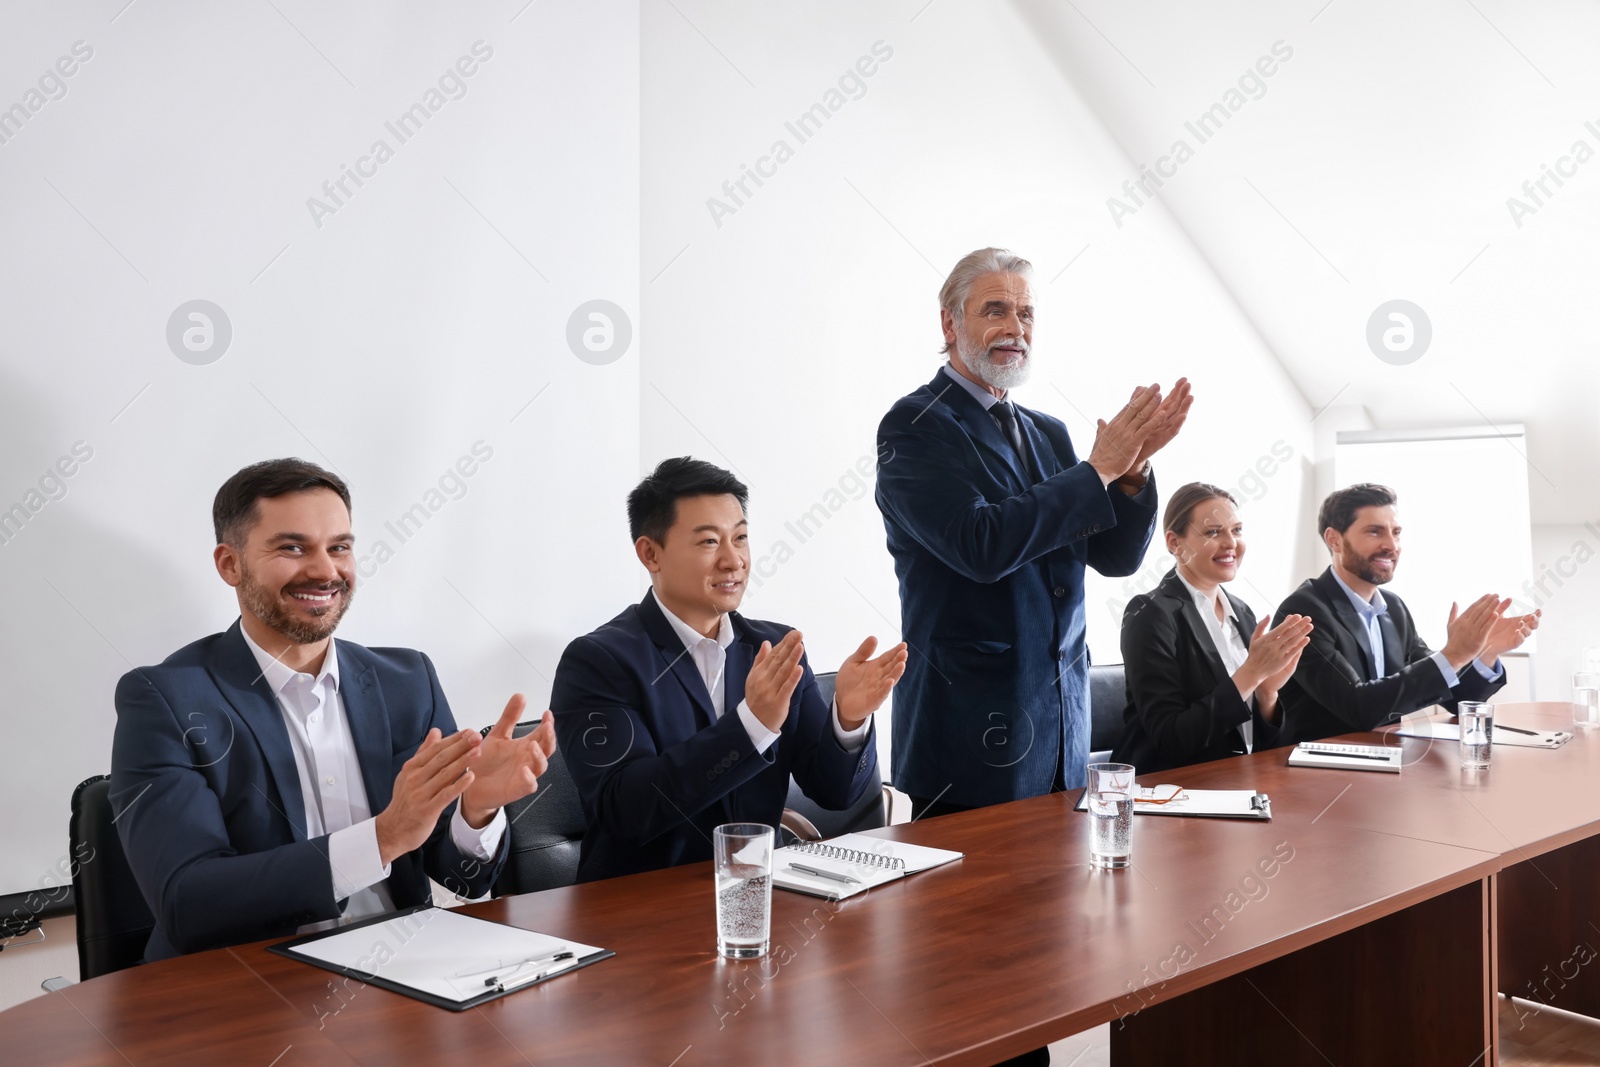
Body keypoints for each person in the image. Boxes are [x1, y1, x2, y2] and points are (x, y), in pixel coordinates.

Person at [111, 459, 555, 961]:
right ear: (230, 564)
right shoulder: (165, 699)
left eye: (339, 547)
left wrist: (477, 812)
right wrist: (383, 838)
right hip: (251, 990)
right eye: (292, 547)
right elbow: (188, 904)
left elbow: (464, 880)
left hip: (407, 976)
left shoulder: (407, 681)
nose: (325, 571)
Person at [875, 247, 1192, 818]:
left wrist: (1132, 473)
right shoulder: (915, 425)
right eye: (995, 310)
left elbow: (1114, 557)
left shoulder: (1048, 432)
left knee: (1065, 907)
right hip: (966, 739)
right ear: (950, 322)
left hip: (1064, 732)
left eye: (1026, 315)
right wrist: (1097, 471)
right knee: (970, 911)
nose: (1014, 328)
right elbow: (981, 545)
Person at [552, 458, 906, 883]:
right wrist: (750, 725)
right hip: (642, 907)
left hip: (758, 897)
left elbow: (836, 793)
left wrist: (848, 719)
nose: (733, 560)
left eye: (740, 538)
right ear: (651, 553)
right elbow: (627, 812)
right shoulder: (597, 661)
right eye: (708, 542)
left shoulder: (775, 648)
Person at [1275, 483, 1539, 744]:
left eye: (1396, 532)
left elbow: (1457, 698)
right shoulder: (1303, 613)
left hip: (1385, 764)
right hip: (1317, 773)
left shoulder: (1395, 608)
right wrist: (1455, 654)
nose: (1392, 545)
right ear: (1334, 540)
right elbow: (1359, 708)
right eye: (1374, 532)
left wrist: (1484, 652)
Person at [1113, 483, 1312, 773]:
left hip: (1238, 783)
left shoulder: (1241, 612)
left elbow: (1262, 745)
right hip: (1170, 793)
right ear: (1174, 542)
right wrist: (1251, 673)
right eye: (1213, 532)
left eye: (1237, 530)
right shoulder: (1149, 613)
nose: (1231, 542)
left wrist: (1267, 693)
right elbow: (1171, 740)